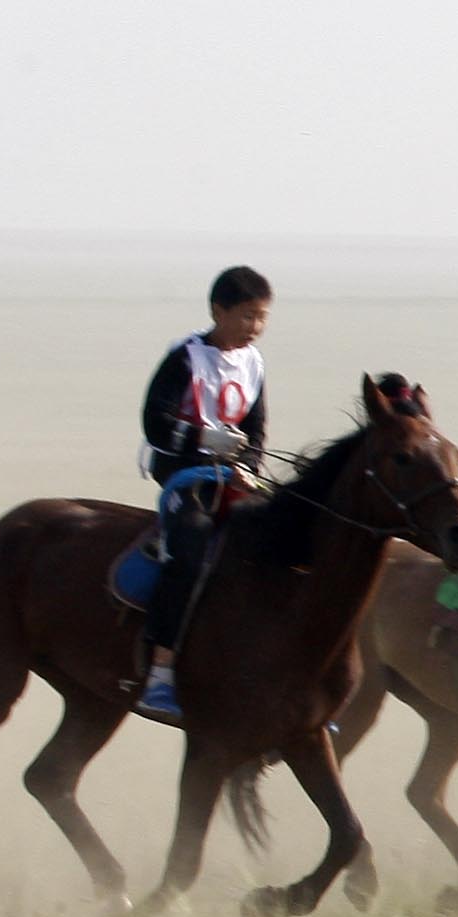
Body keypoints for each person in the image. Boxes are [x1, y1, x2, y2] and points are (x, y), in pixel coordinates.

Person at [133, 266, 273, 722]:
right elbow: (156, 421)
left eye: (261, 318)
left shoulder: (254, 364)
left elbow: (255, 429)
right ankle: (160, 672)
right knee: (191, 545)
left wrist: (247, 466)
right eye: (246, 316)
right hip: (182, 473)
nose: (254, 327)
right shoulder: (185, 358)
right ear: (219, 310)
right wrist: (205, 443)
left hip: (230, 476)